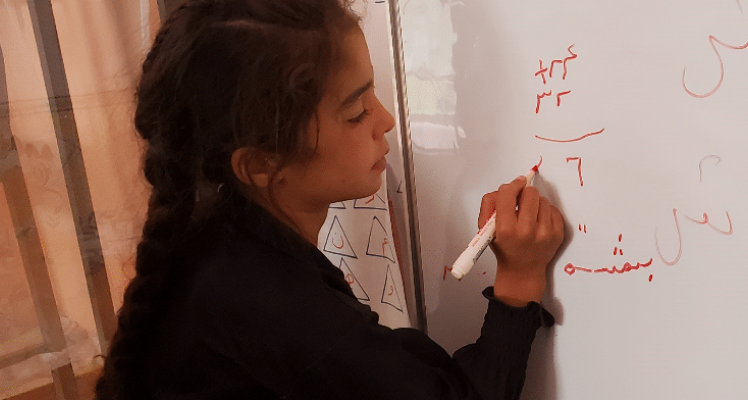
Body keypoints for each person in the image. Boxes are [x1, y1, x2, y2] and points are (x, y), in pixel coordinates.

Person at [94, 0, 566, 399]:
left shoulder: (221, 243)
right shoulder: (278, 310)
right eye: (357, 112)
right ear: (260, 165)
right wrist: (519, 280)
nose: (386, 120)